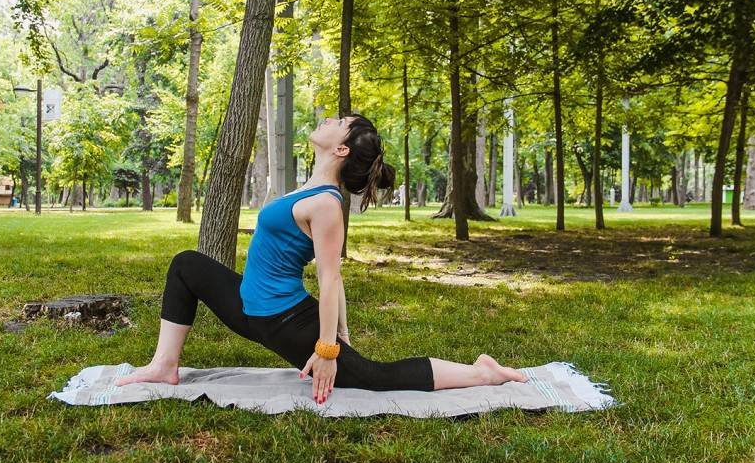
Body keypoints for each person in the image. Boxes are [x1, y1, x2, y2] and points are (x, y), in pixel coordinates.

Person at [115, 113, 527, 405]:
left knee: (370, 377)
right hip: (248, 303)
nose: (328, 119)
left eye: (338, 122)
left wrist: (329, 349)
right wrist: (342, 332)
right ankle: (164, 365)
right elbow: (335, 279)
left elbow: (330, 278)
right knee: (187, 264)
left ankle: (481, 373)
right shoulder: (309, 189)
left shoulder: (328, 204)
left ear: (342, 146)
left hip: (281, 319)